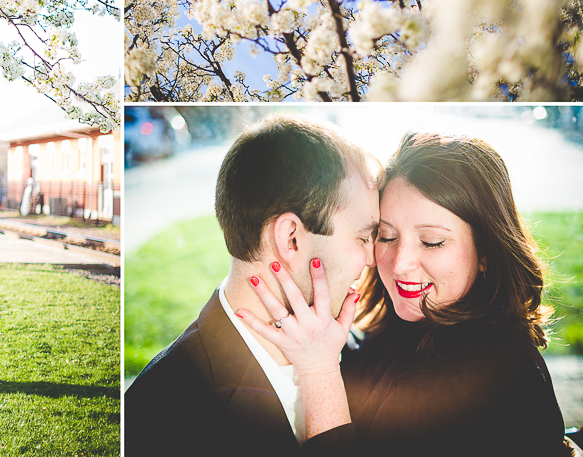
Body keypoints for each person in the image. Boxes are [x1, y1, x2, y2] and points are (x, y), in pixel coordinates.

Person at [240, 132, 570, 456]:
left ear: (486, 250)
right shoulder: (416, 319)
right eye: (385, 236)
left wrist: (318, 370)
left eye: (431, 242)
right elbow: (372, 365)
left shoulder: (477, 377)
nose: (399, 265)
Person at [124, 114, 379, 456]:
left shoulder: (353, 349)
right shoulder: (161, 415)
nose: (372, 259)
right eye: (363, 237)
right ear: (291, 239)